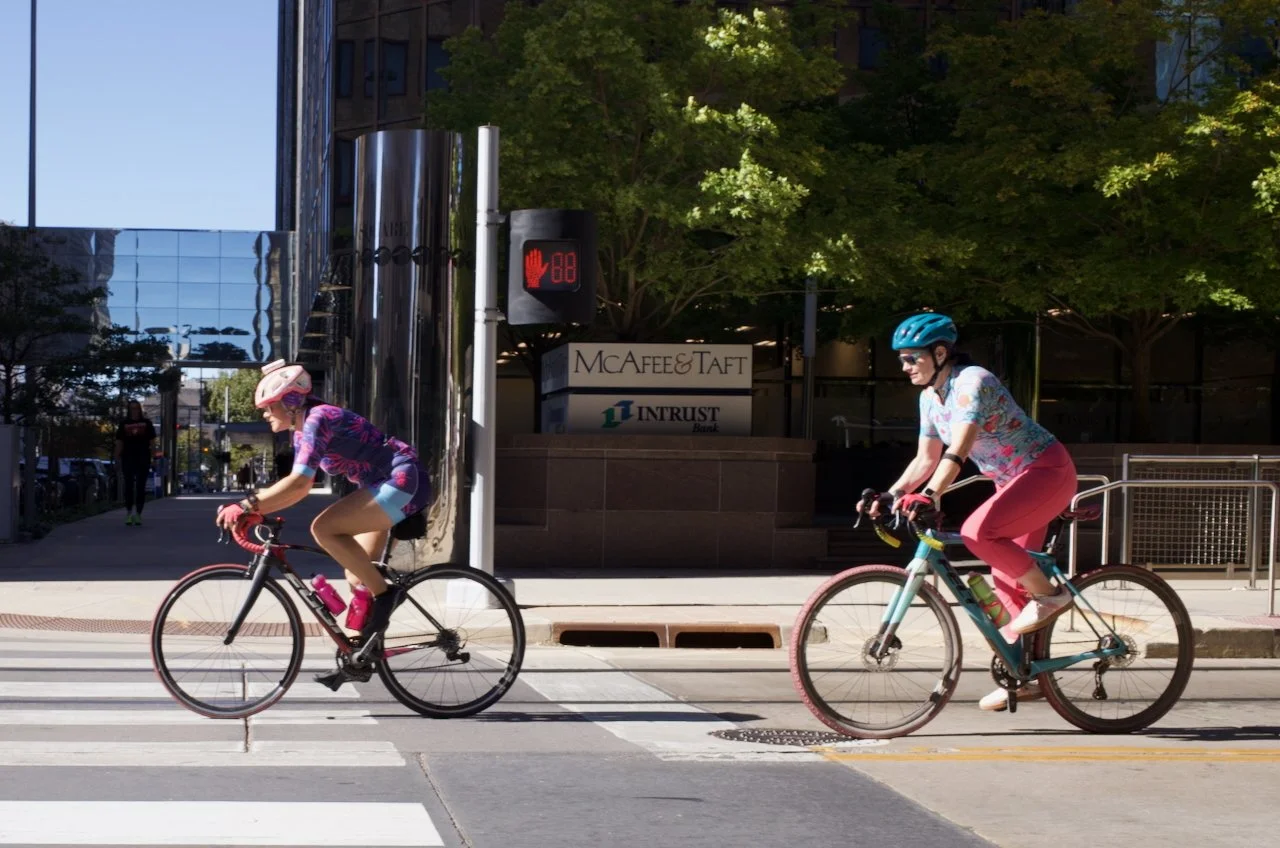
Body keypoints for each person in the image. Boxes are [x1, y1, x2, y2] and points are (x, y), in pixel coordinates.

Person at [863, 313, 1078, 712]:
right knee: (1007, 586)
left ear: (940, 352)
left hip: (1046, 472)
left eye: (913, 358)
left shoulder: (972, 382)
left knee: (979, 533)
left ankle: (1053, 597)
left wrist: (929, 496)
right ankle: (1027, 676)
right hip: (1012, 482)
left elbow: (957, 451)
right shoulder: (930, 397)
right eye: (903, 360)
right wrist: (890, 495)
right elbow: (925, 458)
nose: (905, 367)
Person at [214, 360, 431, 688]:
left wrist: (246, 506)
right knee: (358, 576)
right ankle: (359, 656)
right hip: (385, 484)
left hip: (400, 480)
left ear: (288, 403)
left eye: (268, 406)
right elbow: (296, 489)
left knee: (324, 529)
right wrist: (257, 511)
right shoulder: (302, 432)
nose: (265, 413)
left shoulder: (318, 419)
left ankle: (388, 596)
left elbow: (300, 484)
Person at [114, 400, 157, 526]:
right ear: (129, 410)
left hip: (143, 457)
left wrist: (154, 458)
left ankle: (138, 514)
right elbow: (119, 442)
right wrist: (117, 458)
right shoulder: (124, 424)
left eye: (136, 408)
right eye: (132, 408)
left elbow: (152, 443)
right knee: (128, 486)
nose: (134, 411)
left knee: (140, 487)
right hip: (128, 457)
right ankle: (128, 513)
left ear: (140, 409)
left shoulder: (146, 423)